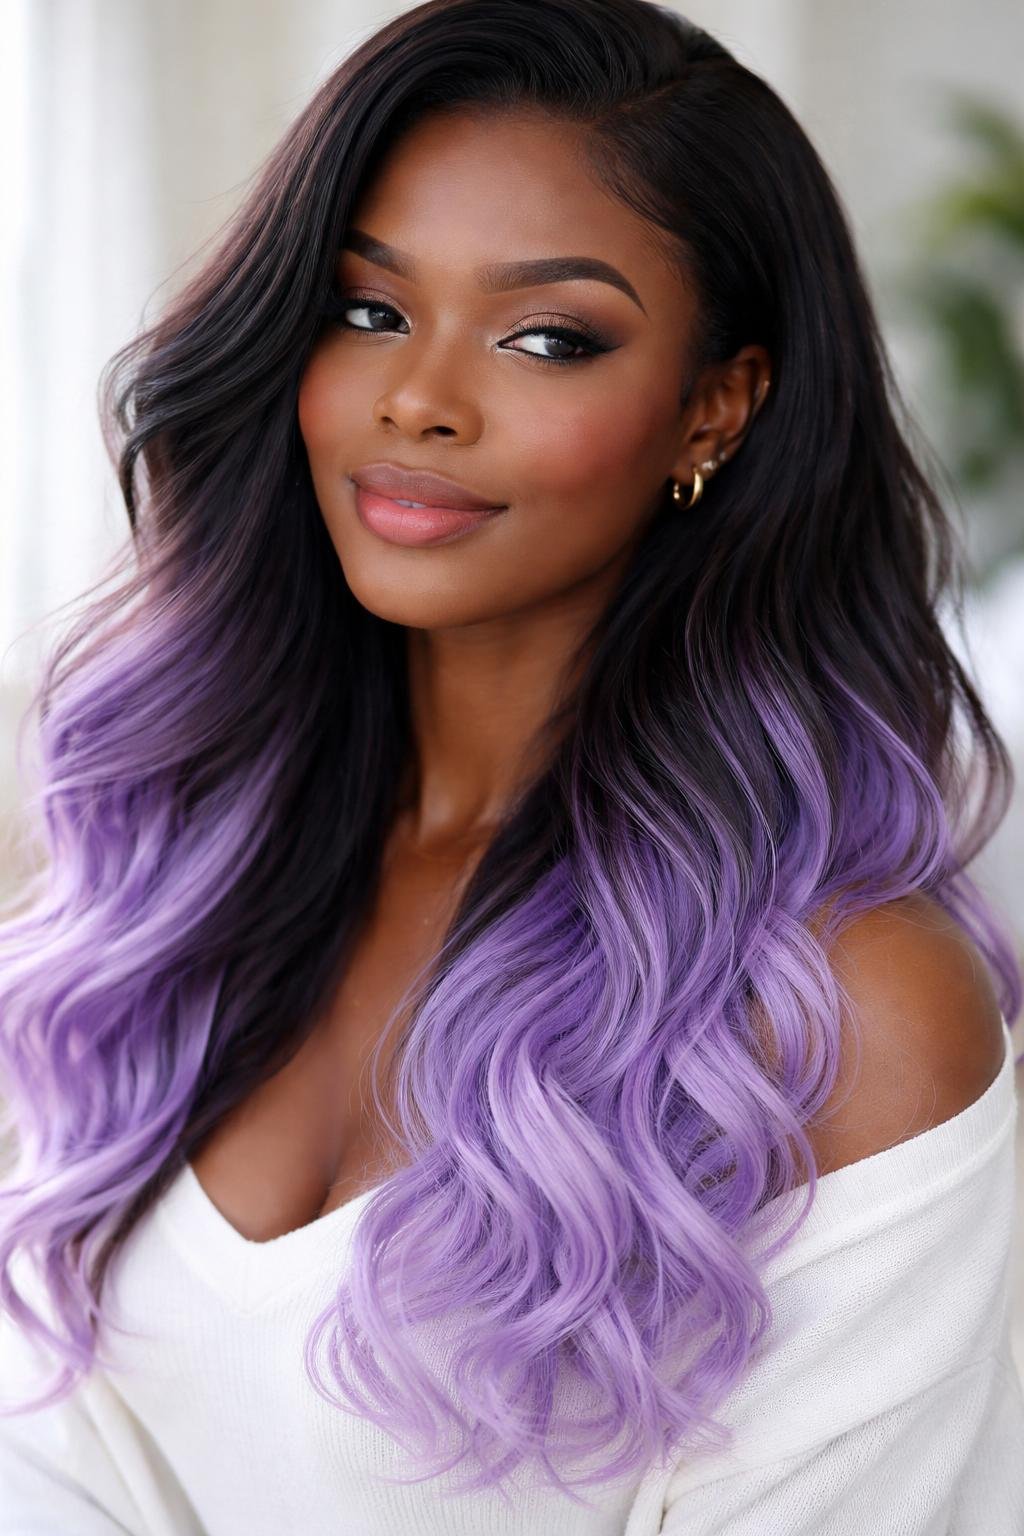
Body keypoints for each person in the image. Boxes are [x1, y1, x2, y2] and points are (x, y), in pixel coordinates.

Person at [0, 0, 1022, 1530]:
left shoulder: (844, 1013)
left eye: (547, 336)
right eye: (364, 309)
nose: (420, 398)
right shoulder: (177, 872)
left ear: (716, 405)